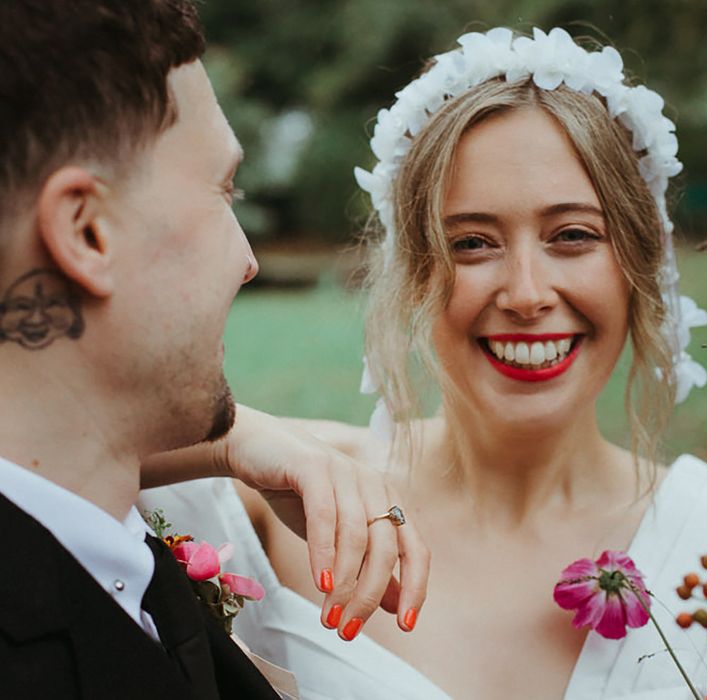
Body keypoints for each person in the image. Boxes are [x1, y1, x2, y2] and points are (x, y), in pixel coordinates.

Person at [142, 26, 707, 700]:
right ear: (412, 274)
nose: (527, 294)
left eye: (573, 236)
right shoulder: (278, 498)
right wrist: (237, 439)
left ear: (640, 264)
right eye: (472, 242)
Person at [0, 2, 429, 699]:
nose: (248, 258)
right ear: (87, 233)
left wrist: (233, 440)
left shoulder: (107, 560)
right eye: (223, 189)